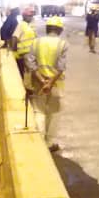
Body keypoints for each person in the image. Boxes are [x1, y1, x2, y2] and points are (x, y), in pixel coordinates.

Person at [25, 16, 68, 152]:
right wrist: (50, 83)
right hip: (55, 84)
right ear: (59, 29)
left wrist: (42, 81)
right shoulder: (62, 44)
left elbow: (30, 63)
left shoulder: (36, 42)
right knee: (53, 113)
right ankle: (49, 143)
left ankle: (39, 141)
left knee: (39, 111)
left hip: (38, 82)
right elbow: (61, 67)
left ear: (47, 28)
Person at [9, 6, 37, 77]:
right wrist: (14, 52)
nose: (31, 17)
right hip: (23, 54)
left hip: (29, 54)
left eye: (32, 16)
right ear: (24, 16)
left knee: (28, 72)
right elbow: (14, 37)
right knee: (28, 72)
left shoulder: (28, 25)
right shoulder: (21, 25)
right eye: (29, 16)